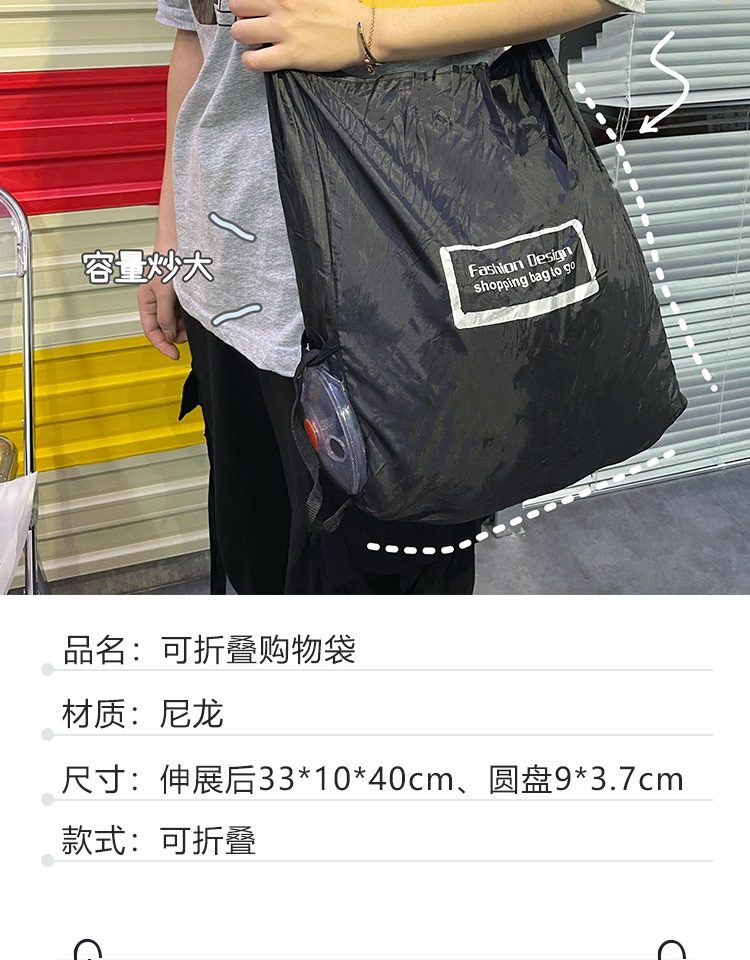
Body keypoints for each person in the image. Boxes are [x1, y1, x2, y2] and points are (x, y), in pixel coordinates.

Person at [139, 0, 646, 596]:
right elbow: (196, 40)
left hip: (407, 287)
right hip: (227, 276)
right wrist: (171, 241)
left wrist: (369, 32)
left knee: (389, 587)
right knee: (260, 560)